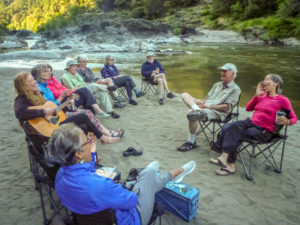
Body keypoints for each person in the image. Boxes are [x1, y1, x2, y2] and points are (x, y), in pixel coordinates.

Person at [49, 123, 196, 225]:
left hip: (91, 218)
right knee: (148, 177)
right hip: (132, 219)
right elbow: (132, 201)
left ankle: (163, 174)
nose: (90, 141)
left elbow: (84, 169)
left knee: (142, 181)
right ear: (78, 154)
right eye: (87, 141)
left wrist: (92, 151)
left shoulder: (61, 175)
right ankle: (172, 172)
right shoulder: (99, 186)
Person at [210, 74, 297, 176]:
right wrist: (257, 95)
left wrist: (287, 121)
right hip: (250, 123)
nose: (264, 81)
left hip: (264, 130)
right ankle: (225, 158)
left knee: (235, 133)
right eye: (264, 79)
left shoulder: (282, 100)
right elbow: (248, 108)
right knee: (233, 126)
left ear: (276, 84)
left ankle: (228, 163)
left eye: (268, 79)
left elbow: (294, 119)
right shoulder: (262, 96)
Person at [14, 71, 122, 144]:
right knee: (83, 115)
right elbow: (20, 113)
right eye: (30, 81)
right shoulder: (21, 98)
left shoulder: (38, 93)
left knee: (85, 122)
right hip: (48, 130)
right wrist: (44, 111)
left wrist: (65, 107)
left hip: (53, 122)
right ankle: (103, 138)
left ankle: (86, 152)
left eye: (33, 79)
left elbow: (53, 112)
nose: (34, 82)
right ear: (23, 85)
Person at [178, 63, 241, 152]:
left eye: (225, 71)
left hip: (217, 113)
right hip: (205, 107)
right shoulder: (217, 85)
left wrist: (208, 107)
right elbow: (207, 99)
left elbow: (226, 108)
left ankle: (191, 141)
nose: (222, 73)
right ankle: (196, 108)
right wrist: (201, 102)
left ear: (233, 74)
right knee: (184, 95)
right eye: (222, 71)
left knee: (191, 114)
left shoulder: (236, 89)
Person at [43, 64, 109, 117]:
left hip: (71, 93)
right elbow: (57, 93)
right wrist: (70, 91)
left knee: (95, 92)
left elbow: (63, 87)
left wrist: (68, 91)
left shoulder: (54, 79)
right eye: (46, 71)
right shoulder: (64, 77)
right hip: (61, 101)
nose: (49, 73)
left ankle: (99, 112)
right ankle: (107, 89)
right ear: (69, 67)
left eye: (50, 71)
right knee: (85, 90)